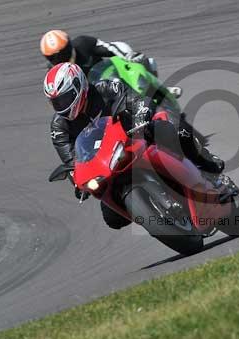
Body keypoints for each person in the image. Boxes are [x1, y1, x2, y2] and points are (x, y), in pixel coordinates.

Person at [44, 63, 224, 227]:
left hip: (136, 137)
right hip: (106, 165)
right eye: (56, 102)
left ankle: (207, 165)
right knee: (112, 218)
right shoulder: (59, 127)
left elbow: (135, 99)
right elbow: (72, 162)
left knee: (176, 131)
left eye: (65, 98)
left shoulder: (105, 88)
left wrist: (142, 113)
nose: (63, 106)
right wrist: (77, 182)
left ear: (79, 86)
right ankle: (155, 216)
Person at [39, 29, 181, 97]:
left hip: (111, 78)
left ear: (69, 46)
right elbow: (55, 97)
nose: (59, 59)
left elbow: (111, 47)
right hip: (90, 97)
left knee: (143, 63)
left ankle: (158, 91)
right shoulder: (53, 74)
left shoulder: (83, 44)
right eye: (53, 57)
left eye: (62, 53)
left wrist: (129, 56)